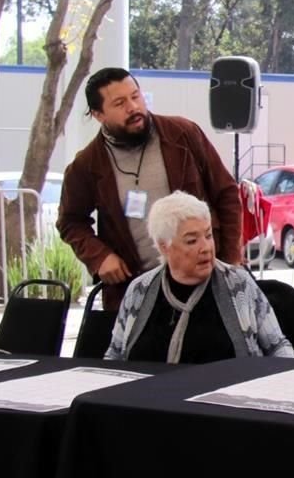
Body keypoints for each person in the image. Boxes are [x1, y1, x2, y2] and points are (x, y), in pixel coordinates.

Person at [58, 67, 241, 312]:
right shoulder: (87, 165)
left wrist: (230, 260)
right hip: (136, 291)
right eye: (120, 103)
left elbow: (226, 193)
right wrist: (100, 257)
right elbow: (70, 222)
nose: (133, 107)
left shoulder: (183, 135)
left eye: (135, 96)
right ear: (99, 114)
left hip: (205, 280)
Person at [105, 191, 294, 363]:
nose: (206, 248)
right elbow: (115, 355)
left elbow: (278, 347)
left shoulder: (239, 285)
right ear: (164, 246)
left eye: (208, 235)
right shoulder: (139, 290)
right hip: (149, 398)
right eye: (192, 241)